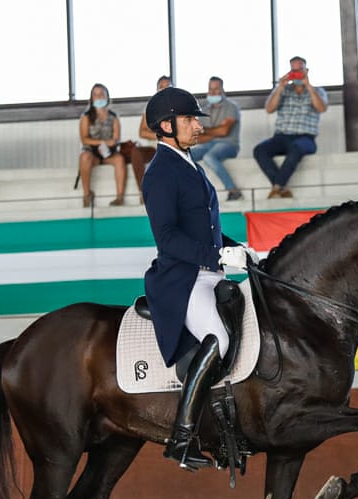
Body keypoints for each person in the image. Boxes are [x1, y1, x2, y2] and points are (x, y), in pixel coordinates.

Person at [141, 86, 256, 470]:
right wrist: (217, 254)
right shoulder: (159, 172)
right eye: (190, 119)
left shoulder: (191, 163)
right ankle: (182, 436)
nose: (197, 125)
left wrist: (239, 248)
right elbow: (168, 238)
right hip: (183, 279)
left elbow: (206, 229)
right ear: (166, 125)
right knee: (220, 339)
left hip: (210, 271)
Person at [253, 56, 328, 199]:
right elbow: (269, 109)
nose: (297, 74)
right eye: (294, 71)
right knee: (259, 150)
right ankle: (282, 187)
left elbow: (322, 108)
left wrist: (308, 86)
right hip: (281, 137)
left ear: (307, 70)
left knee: (296, 148)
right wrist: (280, 86)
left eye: (300, 70)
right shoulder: (283, 90)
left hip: (305, 138)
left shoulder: (318, 91)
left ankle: (276, 187)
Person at [190, 76, 243, 201]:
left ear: (222, 89)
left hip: (228, 145)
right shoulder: (204, 110)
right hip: (207, 145)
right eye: (210, 89)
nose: (212, 92)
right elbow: (198, 138)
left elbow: (224, 132)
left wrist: (206, 130)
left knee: (209, 157)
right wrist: (217, 131)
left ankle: (233, 190)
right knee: (185, 156)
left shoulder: (231, 106)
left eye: (216, 89)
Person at [78, 83, 126, 207]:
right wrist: (101, 142)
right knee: (84, 157)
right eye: (95, 95)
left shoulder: (113, 117)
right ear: (91, 98)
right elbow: (84, 139)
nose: (98, 97)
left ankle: (119, 197)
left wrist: (111, 143)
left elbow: (116, 138)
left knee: (120, 160)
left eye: (101, 94)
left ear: (107, 97)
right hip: (91, 154)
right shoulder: (86, 117)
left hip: (108, 154)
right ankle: (87, 194)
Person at [139, 75, 173, 143]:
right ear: (157, 90)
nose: (164, 89)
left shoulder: (180, 105)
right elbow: (142, 132)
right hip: (157, 144)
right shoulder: (150, 107)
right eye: (161, 87)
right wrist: (162, 137)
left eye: (167, 86)